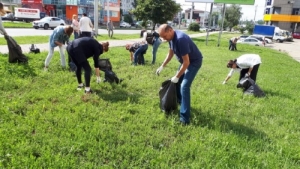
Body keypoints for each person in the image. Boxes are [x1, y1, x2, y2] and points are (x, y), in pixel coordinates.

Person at [156, 24, 203, 125]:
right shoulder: (171, 38)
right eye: (162, 37)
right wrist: (162, 66)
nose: (163, 39)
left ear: (170, 30)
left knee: (184, 86)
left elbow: (187, 63)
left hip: (194, 62)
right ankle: (180, 102)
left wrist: (177, 76)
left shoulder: (181, 39)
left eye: (164, 36)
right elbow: (171, 53)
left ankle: (184, 119)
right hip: (185, 63)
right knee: (177, 83)